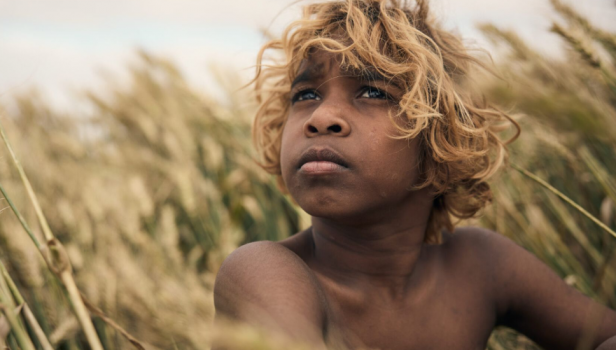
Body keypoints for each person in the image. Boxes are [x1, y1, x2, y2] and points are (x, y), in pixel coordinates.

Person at [213, 0, 616, 349]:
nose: (321, 117)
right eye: (306, 95)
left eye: (372, 91)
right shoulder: (262, 271)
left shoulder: (482, 264)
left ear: (443, 140)